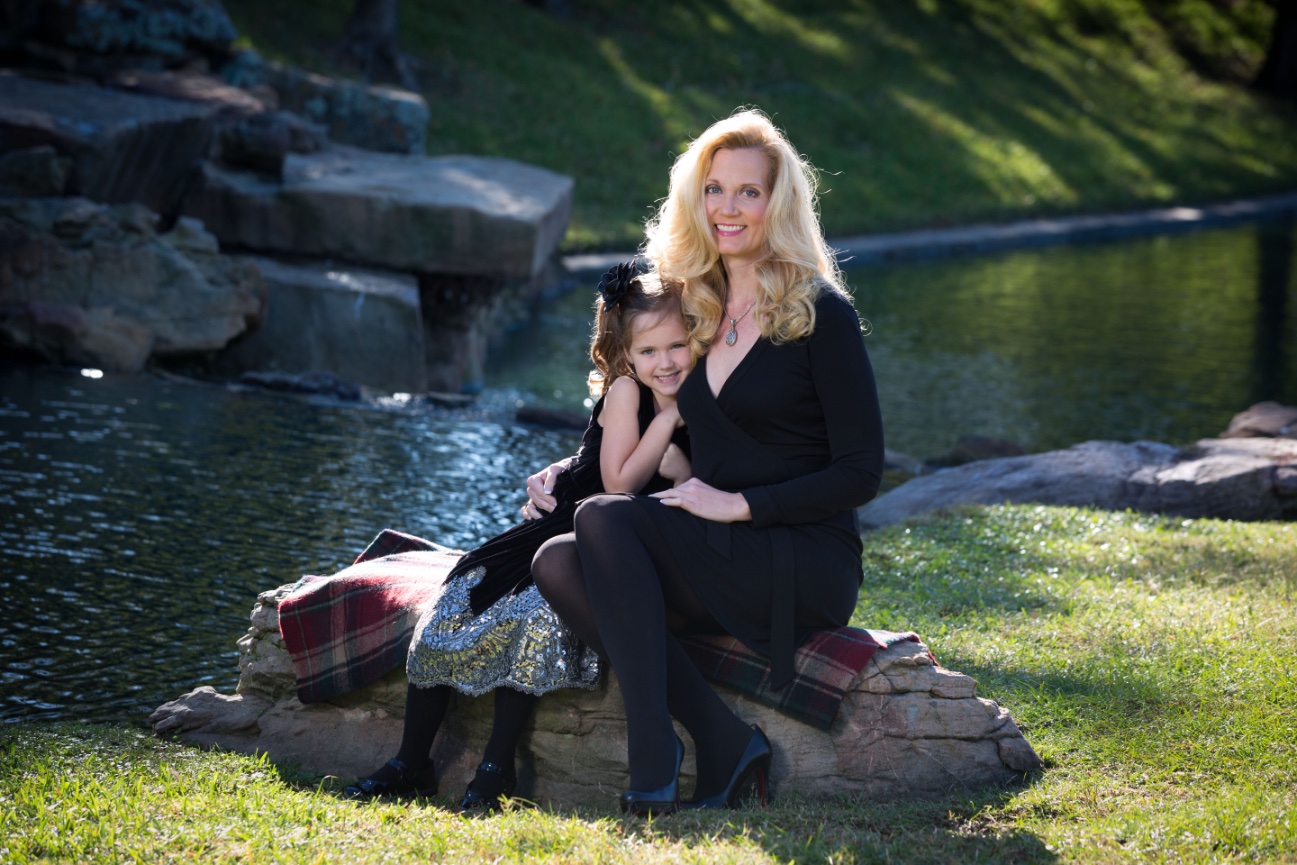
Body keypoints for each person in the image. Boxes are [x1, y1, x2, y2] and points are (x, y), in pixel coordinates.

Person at [530, 108, 884, 815]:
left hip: (800, 552)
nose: (727, 207)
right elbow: (641, 405)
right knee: (557, 561)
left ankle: (651, 753)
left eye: (748, 191)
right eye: (714, 188)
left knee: (604, 520)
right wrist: (565, 470)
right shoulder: (695, 305)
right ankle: (722, 738)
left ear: (777, 203)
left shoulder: (820, 314)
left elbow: (861, 470)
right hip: (717, 541)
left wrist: (741, 505)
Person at [343, 263, 694, 811]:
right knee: (458, 598)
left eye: (677, 346)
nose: (665, 362)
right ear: (626, 355)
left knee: (533, 620)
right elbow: (617, 482)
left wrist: (680, 459)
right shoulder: (630, 390)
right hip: (563, 525)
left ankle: (496, 767)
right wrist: (667, 422)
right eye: (649, 351)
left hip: (596, 546)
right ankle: (411, 761)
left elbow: (686, 486)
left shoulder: (700, 394)